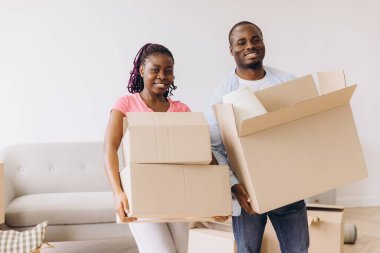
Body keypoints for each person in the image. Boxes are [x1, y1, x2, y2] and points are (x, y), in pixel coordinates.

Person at [205, 21, 310, 253]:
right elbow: (214, 148)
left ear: (263, 42)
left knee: (298, 250)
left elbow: (305, 130)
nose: (250, 46)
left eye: (255, 39)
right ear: (231, 49)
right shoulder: (221, 95)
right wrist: (234, 186)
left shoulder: (288, 82)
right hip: (247, 195)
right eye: (241, 42)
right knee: (247, 250)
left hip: (288, 187)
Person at [104, 43, 190, 253]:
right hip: (141, 195)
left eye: (168, 70)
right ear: (142, 70)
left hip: (178, 194)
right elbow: (109, 148)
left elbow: (199, 155)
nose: (162, 75)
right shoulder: (126, 104)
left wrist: (214, 200)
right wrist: (117, 193)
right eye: (155, 69)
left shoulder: (182, 110)